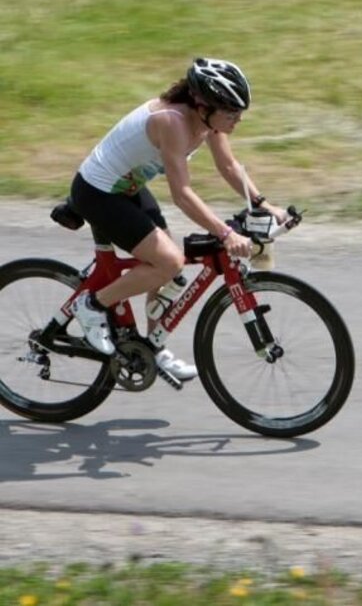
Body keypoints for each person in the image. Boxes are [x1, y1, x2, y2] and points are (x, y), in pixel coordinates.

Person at [69, 58, 290, 380]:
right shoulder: (171, 121)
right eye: (231, 112)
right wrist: (226, 234)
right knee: (168, 263)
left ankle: (153, 348)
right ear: (203, 105)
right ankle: (91, 305)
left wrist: (262, 204)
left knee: (168, 267)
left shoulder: (208, 121)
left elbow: (228, 166)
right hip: (98, 192)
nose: (237, 119)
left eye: (240, 112)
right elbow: (182, 194)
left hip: (127, 187)